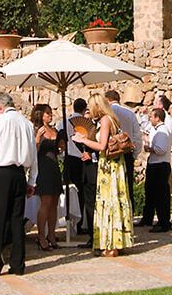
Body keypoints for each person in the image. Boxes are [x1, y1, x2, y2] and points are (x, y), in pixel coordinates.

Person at [0, 92, 36, 276]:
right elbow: (33, 156)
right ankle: (18, 264)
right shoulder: (27, 124)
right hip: (19, 174)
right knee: (16, 219)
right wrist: (31, 180)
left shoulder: (0, 121)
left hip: (2, 172)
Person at [75, 93, 134, 256]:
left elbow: (102, 146)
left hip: (109, 165)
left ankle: (112, 245)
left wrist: (83, 140)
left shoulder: (105, 120)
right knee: (115, 200)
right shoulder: (112, 118)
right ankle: (117, 241)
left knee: (109, 201)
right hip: (114, 164)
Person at [105, 89, 144, 215]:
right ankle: (128, 215)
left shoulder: (107, 114)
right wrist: (134, 154)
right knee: (127, 187)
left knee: (113, 186)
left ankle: (115, 215)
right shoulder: (130, 114)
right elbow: (137, 136)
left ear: (107, 100)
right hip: (127, 153)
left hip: (111, 154)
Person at [63, 99, 97, 239]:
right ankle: (82, 223)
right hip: (82, 160)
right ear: (84, 109)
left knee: (69, 192)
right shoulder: (89, 125)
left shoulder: (63, 122)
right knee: (82, 194)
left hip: (68, 159)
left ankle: (71, 226)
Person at [31, 103, 63, 250]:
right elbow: (33, 152)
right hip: (43, 167)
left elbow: (59, 150)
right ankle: (41, 236)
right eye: (47, 113)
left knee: (54, 202)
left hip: (54, 166)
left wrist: (61, 145)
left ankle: (51, 233)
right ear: (40, 115)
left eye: (50, 113)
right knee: (45, 202)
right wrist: (37, 138)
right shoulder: (36, 130)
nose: (50, 115)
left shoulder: (54, 129)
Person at [140, 105, 172, 232]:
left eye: (151, 117)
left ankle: (163, 222)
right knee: (152, 193)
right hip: (155, 164)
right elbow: (146, 127)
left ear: (157, 118)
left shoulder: (163, 131)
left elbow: (161, 149)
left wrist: (150, 148)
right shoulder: (157, 129)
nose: (150, 119)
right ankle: (149, 218)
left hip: (160, 165)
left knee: (161, 196)